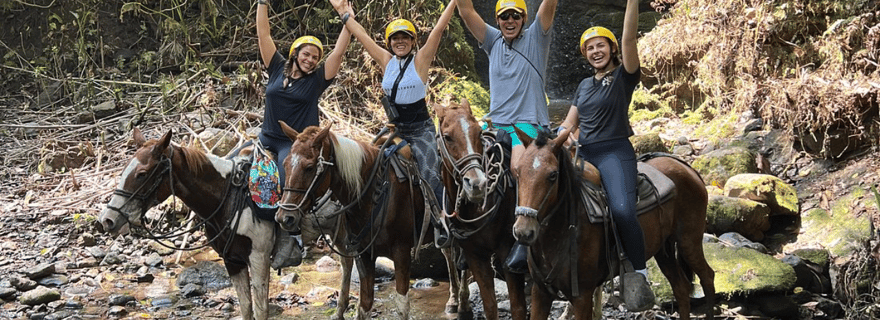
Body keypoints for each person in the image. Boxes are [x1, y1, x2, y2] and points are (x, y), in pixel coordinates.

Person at [329, 0, 458, 248]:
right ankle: (364, 219)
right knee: (367, 162)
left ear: (412, 41)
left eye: (405, 38)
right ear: (389, 42)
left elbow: (438, 31)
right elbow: (362, 35)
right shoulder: (386, 60)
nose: (401, 42)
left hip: (420, 130)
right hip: (395, 129)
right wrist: (343, 14)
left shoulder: (420, 60)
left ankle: (443, 223)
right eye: (396, 38)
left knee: (430, 171)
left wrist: (453, 2)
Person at [556, 0, 655, 311]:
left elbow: (629, 38)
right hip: (584, 154)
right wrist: (552, 142)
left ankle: (638, 272)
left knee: (623, 209)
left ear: (612, 50)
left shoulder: (624, 76)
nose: (595, 51)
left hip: (615, 151)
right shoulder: (584, 85)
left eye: (601, 46)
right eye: (590, 48)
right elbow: (569, 123)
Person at [456, 0, 558, 273]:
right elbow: (466, 10)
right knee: (466, 162)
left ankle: (523, 246)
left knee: (517, 166)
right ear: (498, 20)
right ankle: (465, 234)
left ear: (524, 18)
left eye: (515, 16)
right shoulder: (492, 40)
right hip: (495, 125)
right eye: (504, 17)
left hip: (527, 127)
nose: (509, 21)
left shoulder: (537, 37)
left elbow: (549, 5)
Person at [255, 0, 352, 269]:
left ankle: (293, 237)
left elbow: (339, 54)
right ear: (295, 52)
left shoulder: (316, 80)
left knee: (289, 179)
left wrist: (346, 18)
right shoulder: (276, 66)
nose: (310, 60)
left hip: (294, 144)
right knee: (235, 170)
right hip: (266, 137)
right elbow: (264, 34)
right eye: (306, 54)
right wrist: (262, 3)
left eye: (314, 57)